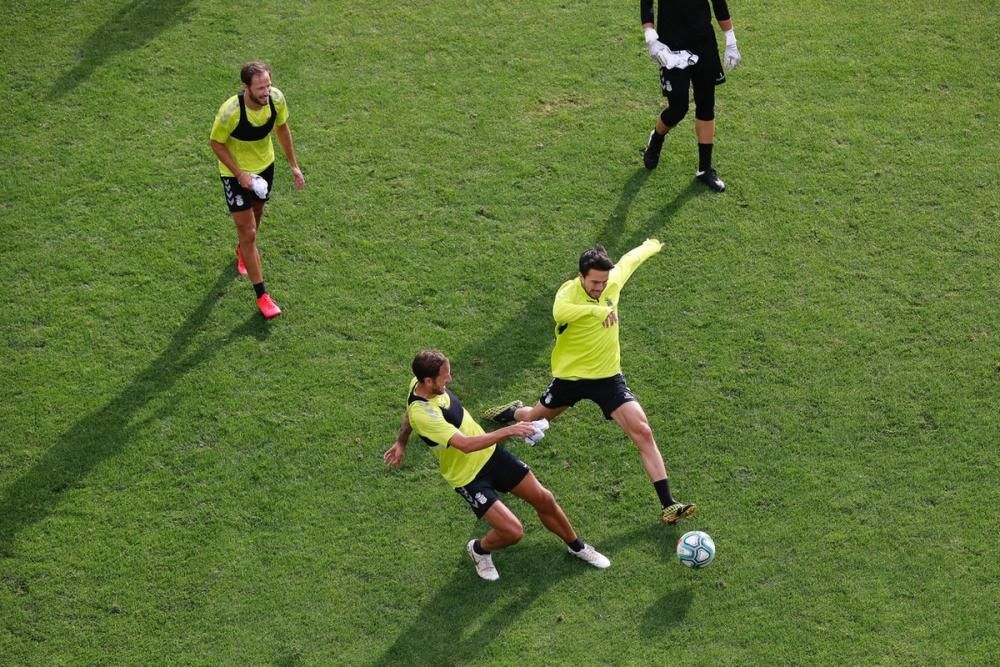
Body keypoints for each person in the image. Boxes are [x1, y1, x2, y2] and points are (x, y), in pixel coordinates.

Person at [483, 240, 697, 525]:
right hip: (569, 379)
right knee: (533, 422)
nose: (600, 287)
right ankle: (512, 413)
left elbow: (630, 261)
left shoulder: (611, 283)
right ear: (581, 276)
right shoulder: (567, 293)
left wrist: (652, 245)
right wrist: (599, 311)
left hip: (608, 378)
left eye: (603, 282)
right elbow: (562, 314)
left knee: (643, 431)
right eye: (594, 282)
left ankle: (669, 504)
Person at [384, 350, 611, 581]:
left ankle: (577, 546)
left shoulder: (418, 383)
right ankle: (479, 550)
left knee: (544, 498)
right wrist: (511, 429)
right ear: (428, 380)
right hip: (468, 477)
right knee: (513, 532)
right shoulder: (424, 414)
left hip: (491, 455)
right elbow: (464, 444)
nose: (450, 379)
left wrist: (401, 442)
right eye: (445, 376)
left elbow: (406, 415)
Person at [210, 62, 305, 319]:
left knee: (257, 215)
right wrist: (239, 173)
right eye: (260, 88)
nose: (266, 92)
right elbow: (216, 143)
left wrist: (294, 167)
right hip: (235, 175)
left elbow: (282, 129)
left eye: (268, 85)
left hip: (264, 169)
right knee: (248, 231)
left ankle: (244, 250)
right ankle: (262, 295)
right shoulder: (231, 111)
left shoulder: (276, 100)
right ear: (246, 88)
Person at [639, 0, 742, 192]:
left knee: (706, 104)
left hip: (703, 43)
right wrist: (649, 32)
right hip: (671, 45)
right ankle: (657, 138)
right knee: (678, 108)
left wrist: (730, 37)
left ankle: (705, 169)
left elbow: (718, 2)